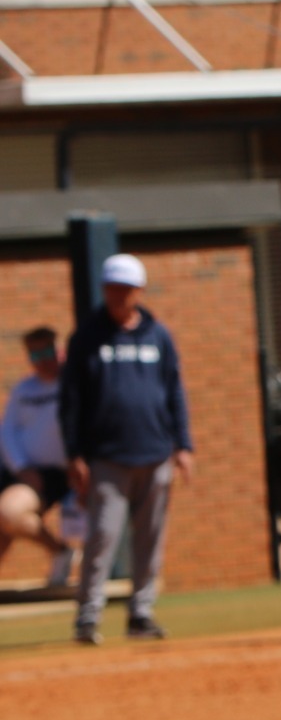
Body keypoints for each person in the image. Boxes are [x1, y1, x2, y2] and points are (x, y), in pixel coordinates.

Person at [60, 254, 195, 645]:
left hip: (155, 451)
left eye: (125, 289)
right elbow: (70, 401)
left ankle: (141, 612)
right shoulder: (87, 336)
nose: (118, 296)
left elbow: (174, 392)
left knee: (150, 538)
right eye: (111, 289)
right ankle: (88, 618)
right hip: (106, 457)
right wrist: (75, 455)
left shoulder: (158, 335)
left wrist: (183, 445)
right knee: (101, 536)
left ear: (139, 291)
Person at [1, 327, 75, 587]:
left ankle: (61, 551)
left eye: (48, 352)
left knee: (8, 513)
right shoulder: (24, 390)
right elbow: (7, 432)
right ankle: (61, 553)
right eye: (35, 355)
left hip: (57, 473)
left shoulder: (74, 385)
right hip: (19, 471)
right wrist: (21, 468)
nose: (43, 360)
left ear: (60, 351)